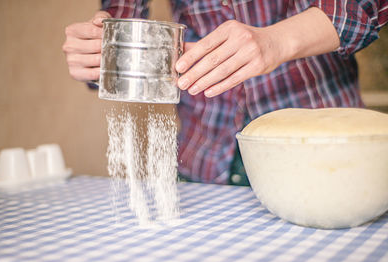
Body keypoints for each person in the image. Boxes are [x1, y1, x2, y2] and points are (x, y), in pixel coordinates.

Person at [63, 0, 388, 185]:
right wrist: (100, 52)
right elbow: (122, 25)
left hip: (315, 149)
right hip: (201, 154)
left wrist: (276, 41)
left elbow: (365, 6)